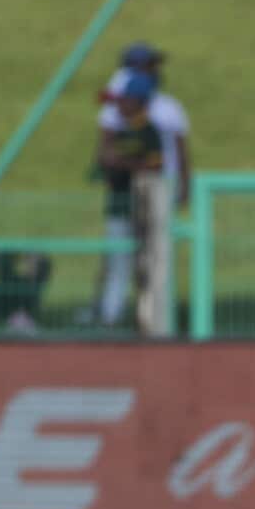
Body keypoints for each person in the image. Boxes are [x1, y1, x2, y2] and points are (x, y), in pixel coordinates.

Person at [94, 72, 164, 327]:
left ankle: (148, 319)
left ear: (139, 101)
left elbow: (155, 168)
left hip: (143, 210)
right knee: (118, 264)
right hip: (119, 208)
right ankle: (111, 317)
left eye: (125, 101)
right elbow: (102, 166)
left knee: (146, 266)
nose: (119, 106)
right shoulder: (121, 132)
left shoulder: (148, 132)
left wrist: (121, 163)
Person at [98, 42, 191, 207]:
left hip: (163, 183)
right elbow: (106, 152)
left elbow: (181, 153)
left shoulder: (169, 106)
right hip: (124, 189)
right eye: (150, 66)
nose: (156, 71)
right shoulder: (117, 108)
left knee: (156, 230)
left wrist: (184, 188)